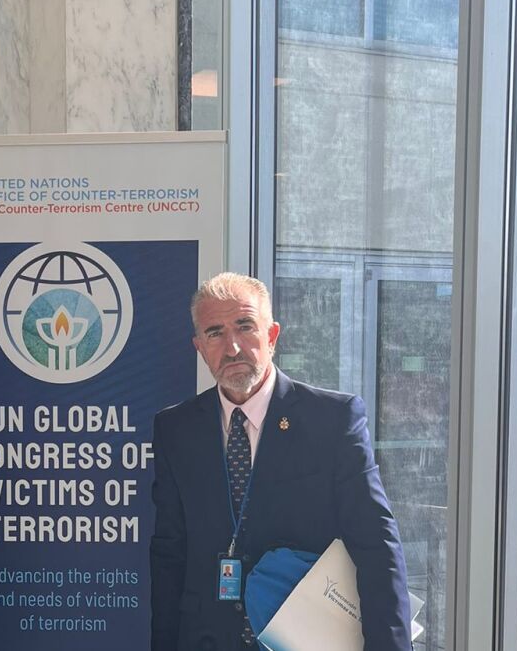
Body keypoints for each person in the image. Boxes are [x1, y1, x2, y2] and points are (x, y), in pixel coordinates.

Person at [150, 273, 411, 650]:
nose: (232, 347)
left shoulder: (333, 421)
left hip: (305, 639)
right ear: (200, 348)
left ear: (272, 335)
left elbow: (376, 544)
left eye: (245, 326)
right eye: (215, 333)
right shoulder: (176, 429)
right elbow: (169, 554)